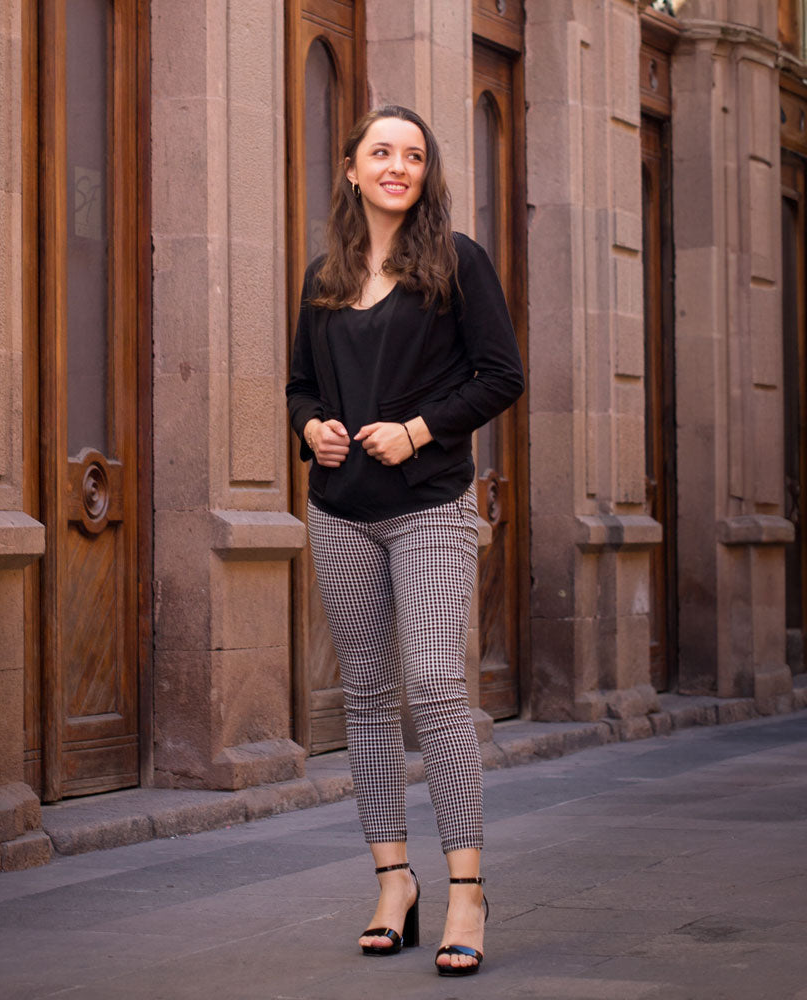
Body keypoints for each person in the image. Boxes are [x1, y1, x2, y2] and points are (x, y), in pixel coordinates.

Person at [286, 105, 524, 976]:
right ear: (351, 169)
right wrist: (314, 431)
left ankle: (467, 886)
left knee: (432, 680)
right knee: (369, 696)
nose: (397, 166)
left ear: (426, 174)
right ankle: (395, 882)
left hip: (429, 502)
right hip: (340, 508)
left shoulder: (457, 264)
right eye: (380, 153)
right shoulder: (324, 276)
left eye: (413, 155)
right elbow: (300, 386)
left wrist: (418, 429)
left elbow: (502, 375)